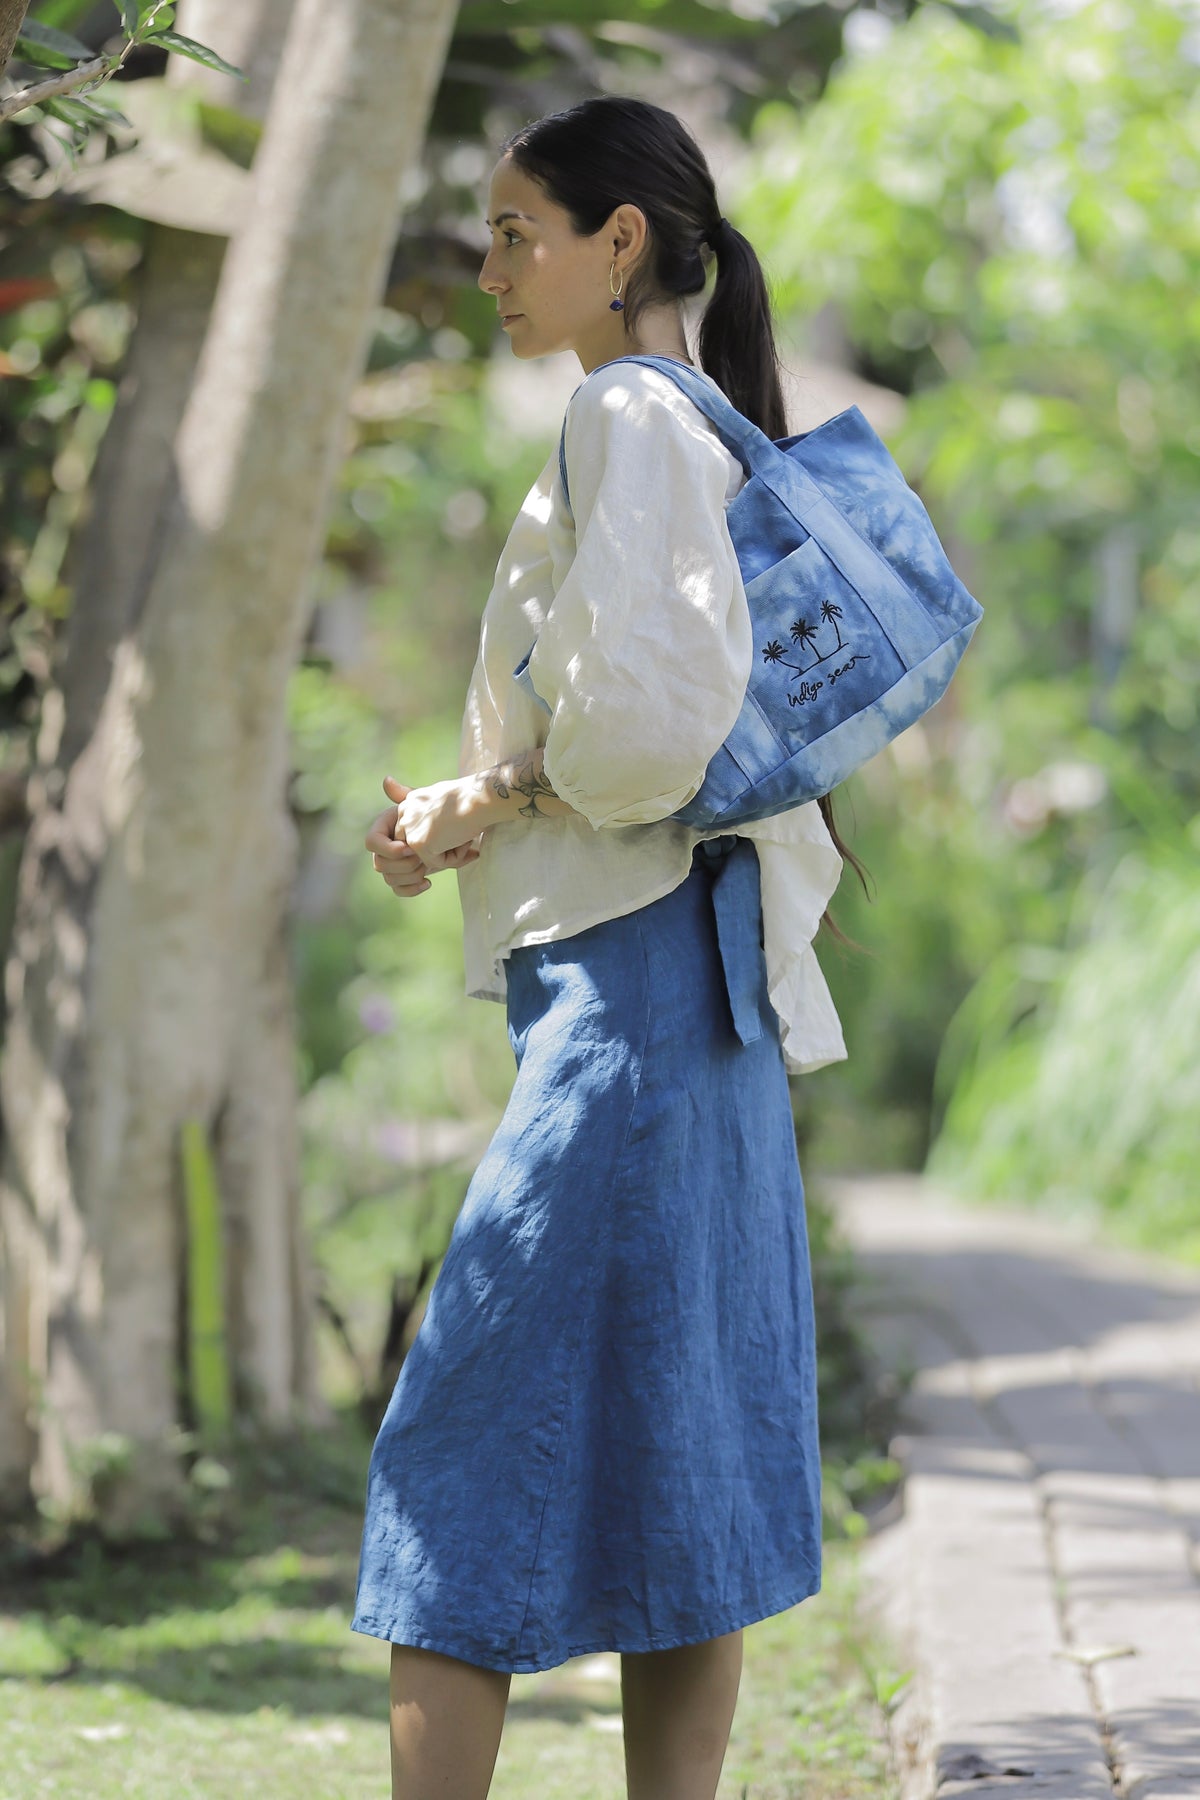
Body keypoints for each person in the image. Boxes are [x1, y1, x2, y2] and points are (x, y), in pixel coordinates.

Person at [353, 94, 855, 1800]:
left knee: (458, 1447)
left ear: (615, 241)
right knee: (681, 1450)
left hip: (638, 999)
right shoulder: (683, 418)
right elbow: (655, 727)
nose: (489, 266)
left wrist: (476, 796)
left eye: (516, 232)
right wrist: (473, 806)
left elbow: (641, 729)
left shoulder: (632, 416)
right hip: (684, 986)